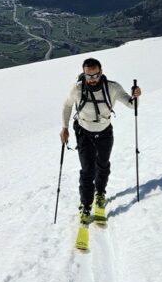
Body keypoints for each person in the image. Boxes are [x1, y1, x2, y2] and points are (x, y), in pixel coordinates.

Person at [60, 57, 141, 224]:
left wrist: (136, 95)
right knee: (87, 170)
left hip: (104, 132)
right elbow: (67, 105)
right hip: (83, 132)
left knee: (103, 165)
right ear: (84, 74)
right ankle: (85, 205)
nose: (92, 80)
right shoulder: (77, 88)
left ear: (101, 72)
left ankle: (100, 193)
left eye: (95, 75)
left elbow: (132, 105)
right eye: (88, 76)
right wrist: (65, 127)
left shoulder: (112, 87)